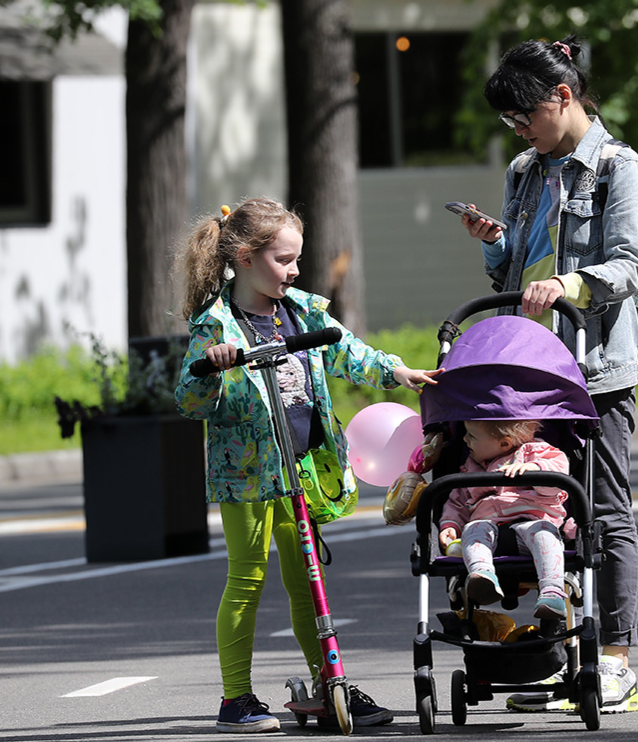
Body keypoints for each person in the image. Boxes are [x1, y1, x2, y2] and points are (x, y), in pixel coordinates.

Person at [459, 35, 638, 715]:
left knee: (603, 512)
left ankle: (615, 661)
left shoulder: (618, 168)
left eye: (524, 115)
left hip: (595, 369)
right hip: (527, 369)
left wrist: (568, 283)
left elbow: (628, 267)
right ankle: (556, 661)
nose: (518, 131)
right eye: (509, 123)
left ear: (562, 96)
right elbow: (511, 272)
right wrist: (496, 242)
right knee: (531, 507)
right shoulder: (525, 170)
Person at [175, 197, 443, 733]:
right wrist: (212, 369)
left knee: (308, 583)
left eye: (298, 259)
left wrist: (399, 372)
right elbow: (188, 399)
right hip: (247, 473)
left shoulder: (302, 310)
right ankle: (236, 699)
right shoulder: (218, 324)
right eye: (284, 260)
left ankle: (330, 683)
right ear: (245, 258)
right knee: (247, 579)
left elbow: (350, 352)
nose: (294, 270)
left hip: (301, 470)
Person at [437, 419, 572, 620]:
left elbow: (559, 475)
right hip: (489, 529)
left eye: (471, 436)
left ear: (505, 444)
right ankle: (482, 576)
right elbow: (458, 501)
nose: (464, 440)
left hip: (532, 519)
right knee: (473, 529)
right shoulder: (470, 468)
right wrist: (450, 524)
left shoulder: (535, 451)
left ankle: (552, 591)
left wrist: (535, 468)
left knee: (544, 533)